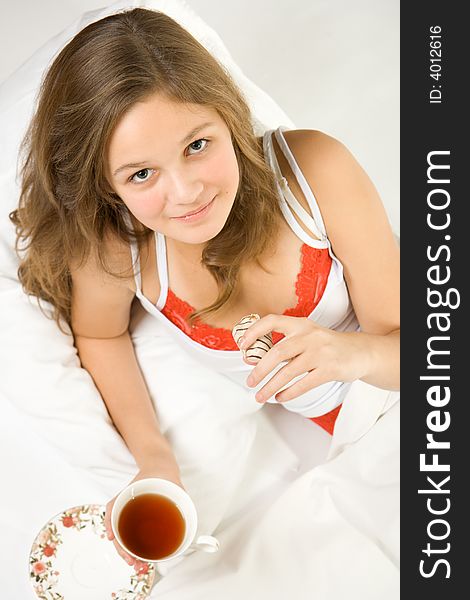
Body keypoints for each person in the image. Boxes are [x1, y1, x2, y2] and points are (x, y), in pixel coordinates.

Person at [10, 7, 399, 570]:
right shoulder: (118, 249)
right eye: (141, 174)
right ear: (107, 185)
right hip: (347, 445)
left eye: (197, 145)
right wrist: (154, 459)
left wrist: (350, 352)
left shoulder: (316, 170)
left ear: (228, 116)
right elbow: (100, 335)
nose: (187, 192)